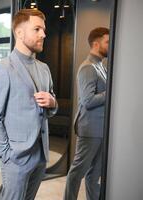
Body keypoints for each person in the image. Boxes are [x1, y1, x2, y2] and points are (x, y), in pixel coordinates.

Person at [0, 9, 58, 200]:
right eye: (37, 29)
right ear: (19, 33)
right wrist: (8, 154)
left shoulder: (44, 68)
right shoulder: (2, 69)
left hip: (41, 156)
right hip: (16, 158)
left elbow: (49, 106)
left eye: (44, 29)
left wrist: (52, 102)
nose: (43, 34)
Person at [63, 27, 109, 200]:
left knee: (94, 175)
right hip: (90, 130)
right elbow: (87, 101)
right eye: (107, 42)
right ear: (96, 44)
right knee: (77, 172)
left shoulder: (100, 66)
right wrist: (109, 92)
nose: (109, 45)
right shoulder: (88, 68)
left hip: (100, 130)